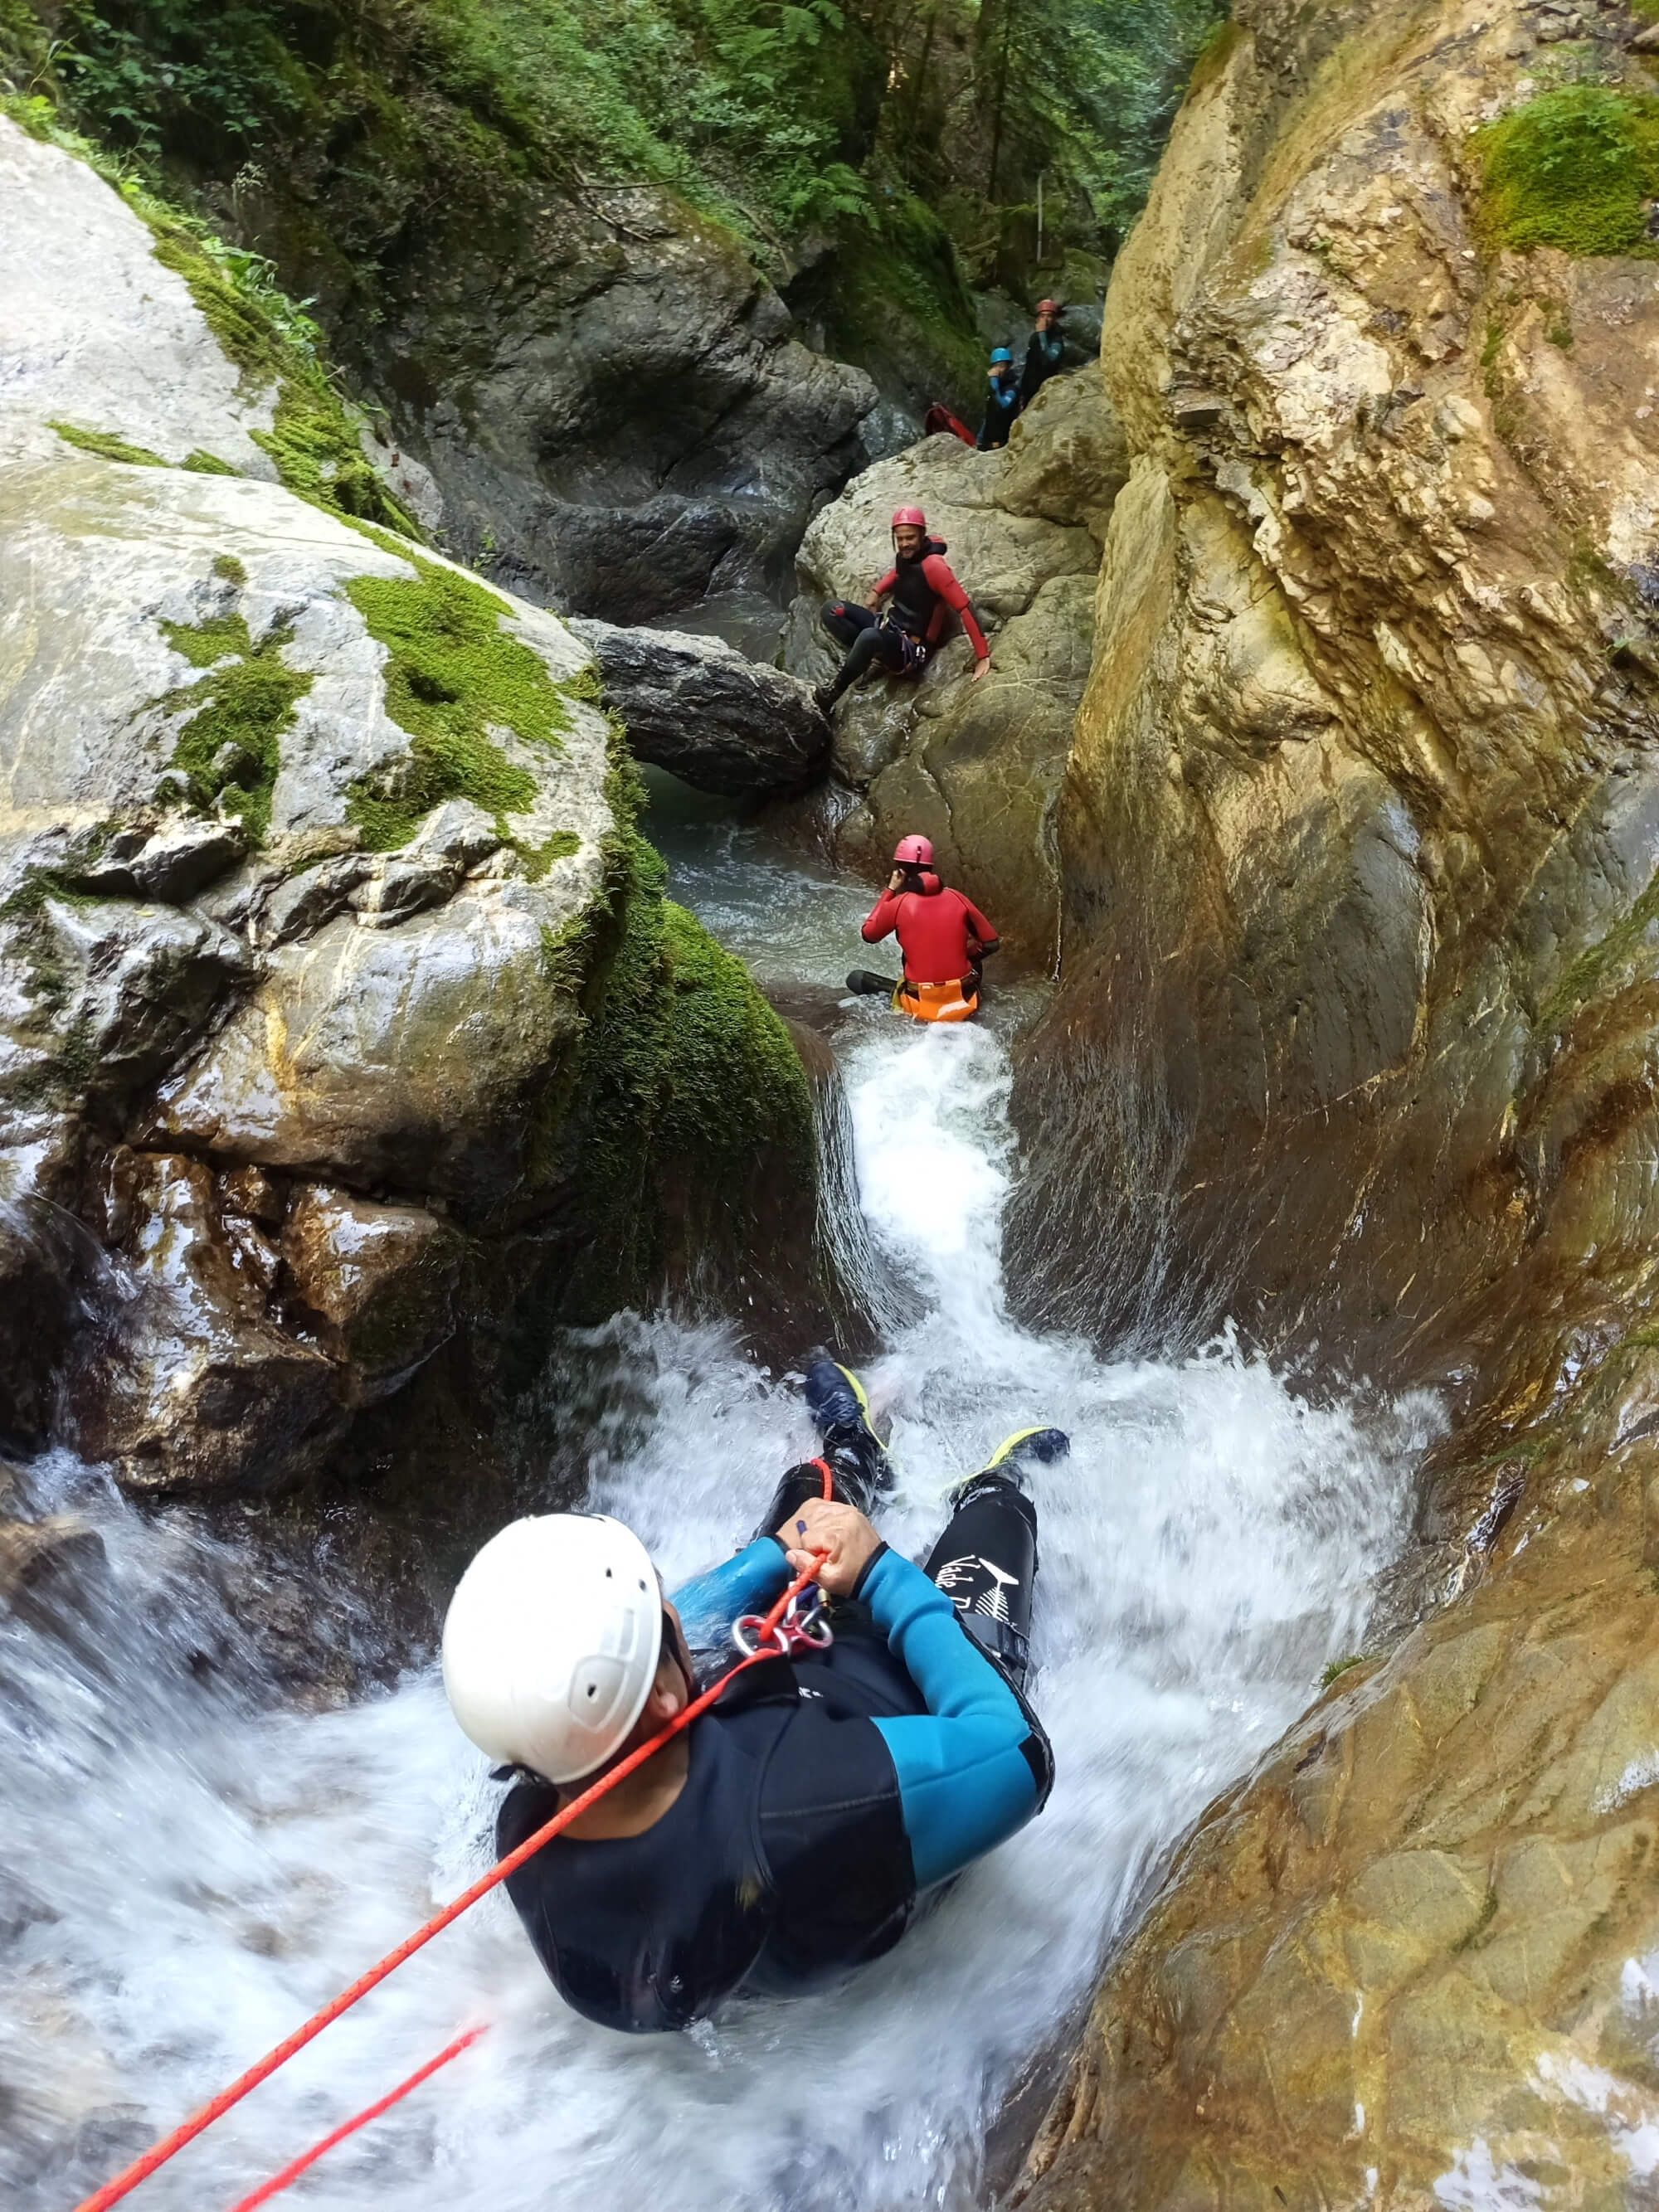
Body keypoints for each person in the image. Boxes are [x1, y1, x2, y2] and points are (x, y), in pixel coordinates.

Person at [442, 1359, 1068, 2035]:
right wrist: (882, 1575)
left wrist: (774, 1552)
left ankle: (851, 1456)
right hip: (881, 1730)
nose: (670, 1601)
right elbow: (1017, 1751)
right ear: (657, 1695)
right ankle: (995, 1486)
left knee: (807, 1510)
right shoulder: (822, 1798)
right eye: (655, 1596)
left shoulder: (527, 1821)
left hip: (770, 1720)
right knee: (994, 1524)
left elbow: (659, 1643)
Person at [815, 506, 990, 715]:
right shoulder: (906, 557)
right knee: (832, 610)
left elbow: (964, 607)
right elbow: (897, 573)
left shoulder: (935, 567)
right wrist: (876, 591)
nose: (904, 544)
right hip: (890, 629)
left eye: (910, 538)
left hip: (912, 650)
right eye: (900, 539)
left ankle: (833, 693)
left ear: (922, 536)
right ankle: (867, 657)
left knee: (869, 636)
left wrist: (983, 657)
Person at [847, 834, 1000, 1023]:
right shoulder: (956, 897)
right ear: (931, 867)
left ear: (901, 870)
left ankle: (905, 995)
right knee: (974, 959)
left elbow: (868, 934)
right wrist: (965, 956)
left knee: (855, 978)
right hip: (965, 997)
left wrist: (890, 889)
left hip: (919, 1002)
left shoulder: (898, 904)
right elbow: (991, 943)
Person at [1019, 299, 1066, 405]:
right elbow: (1029, 365)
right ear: (1037, 318)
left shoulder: (1056, 339)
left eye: (1049, 316)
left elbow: (1049, 361)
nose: (1045, 320)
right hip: (1030, 386)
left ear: (1054, 319)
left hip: (1045, 389)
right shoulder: (1034, 337)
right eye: (1042, 316)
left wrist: (1042, 334)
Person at [978, 345, 1023, 450]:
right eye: (996, 366)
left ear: (1008, 367)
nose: (998, 370)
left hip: (1000, 441)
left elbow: (1002, 405)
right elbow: (988, 416)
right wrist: (980, 438)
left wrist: (994, 382)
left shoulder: (1012, 388)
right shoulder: (996, 385)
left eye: (1002, 366)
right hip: (987, 438)